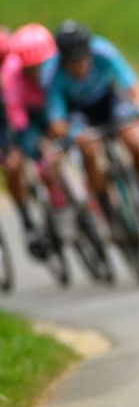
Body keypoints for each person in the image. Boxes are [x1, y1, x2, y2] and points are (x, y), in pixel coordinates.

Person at [45, 21, 139, 222]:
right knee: (89, 151)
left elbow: (134, 86)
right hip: (78, 112)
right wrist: (75, 135)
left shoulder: (103, 51)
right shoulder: (52, 74)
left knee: (136, 141)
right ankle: (105, 204)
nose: (80, 66)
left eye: (83, 60)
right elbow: (57, 123)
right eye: (73, 63)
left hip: (107, 101)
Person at [2, 24, 60, 257]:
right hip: (13, 117)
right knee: (13, 164)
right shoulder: (12, 75)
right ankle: (26, 220)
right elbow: (16, 118)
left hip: (36, 110)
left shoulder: (50, 67)